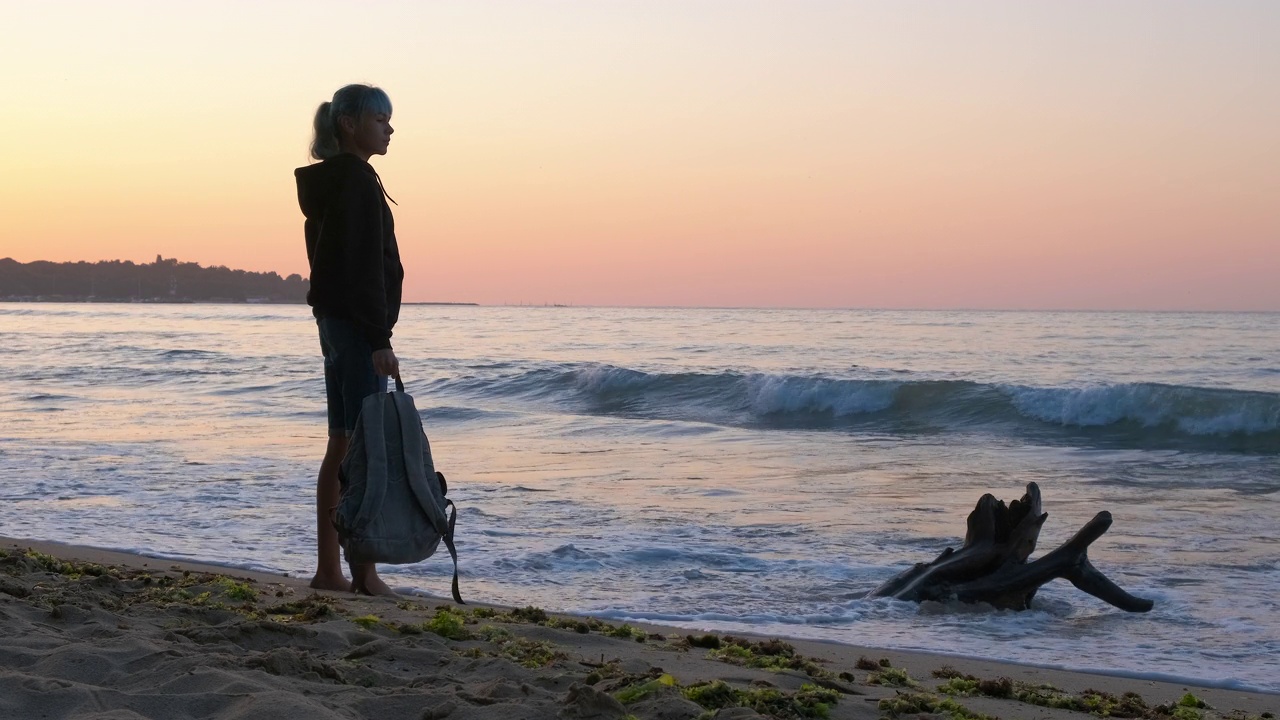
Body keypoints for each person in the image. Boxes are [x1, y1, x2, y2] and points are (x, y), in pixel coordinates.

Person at [295, 83, 402, 595]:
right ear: (349, 125)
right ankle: (363, 573)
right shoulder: (356, 182)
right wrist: (379, 337)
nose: (389, 128)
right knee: (360, 450)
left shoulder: (331, 185)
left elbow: (332, 264)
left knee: (341, 443)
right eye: (380, 119)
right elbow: (365, 269)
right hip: (357, 329)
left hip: (334, 324)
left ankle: (328, 570)